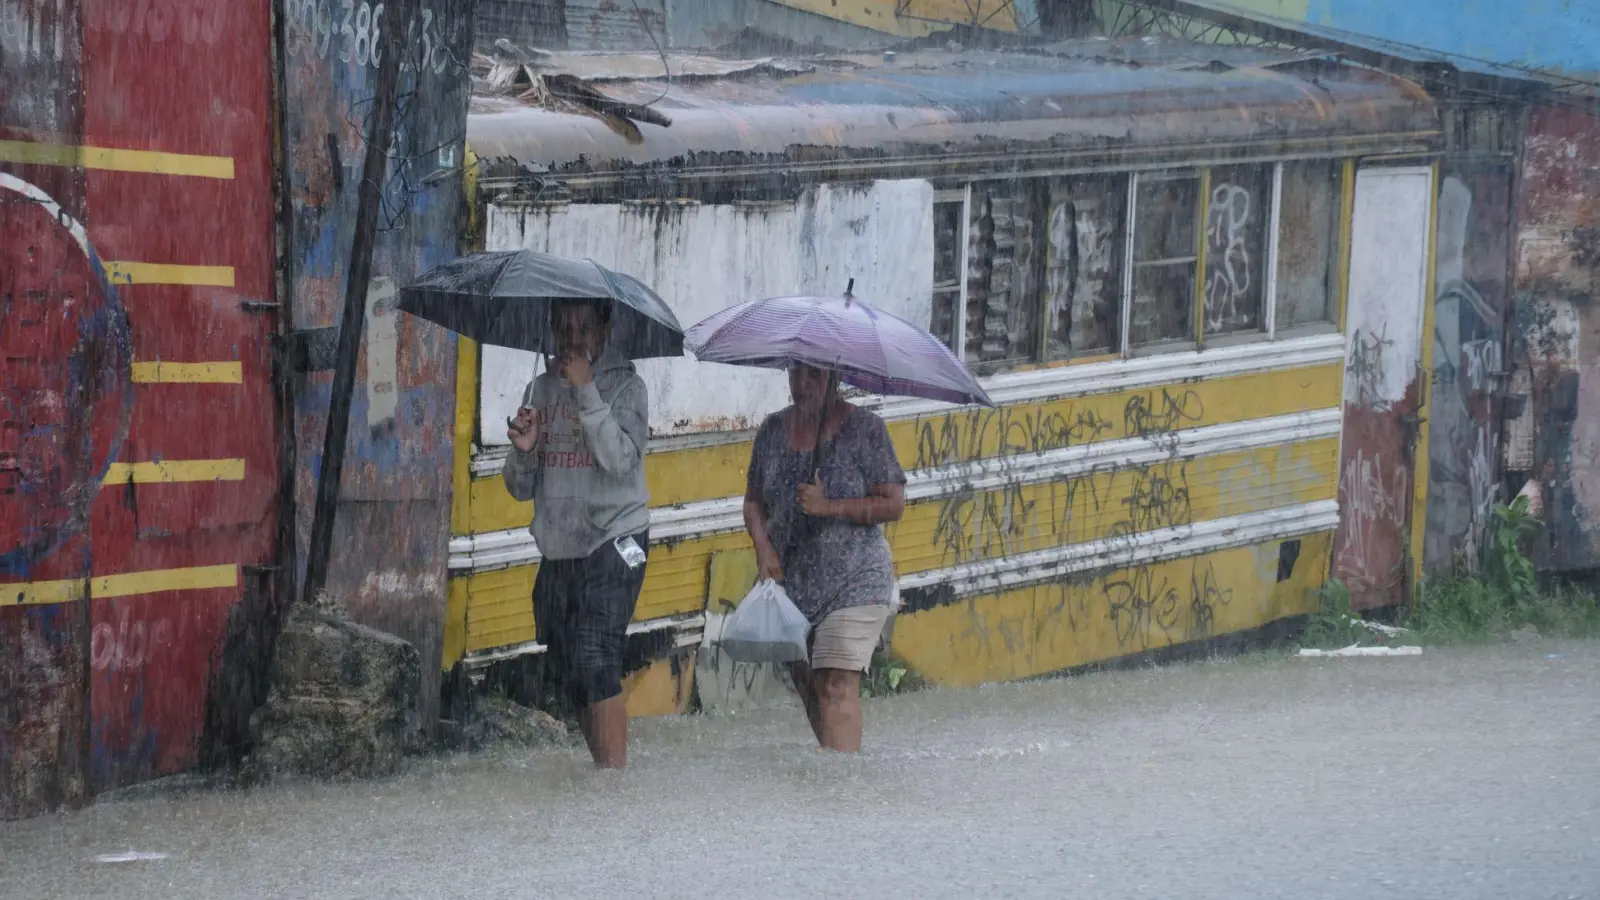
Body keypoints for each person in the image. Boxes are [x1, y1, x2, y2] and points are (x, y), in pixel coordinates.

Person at [503, 298, 650, 769]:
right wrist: (524, 450)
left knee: (595, 654)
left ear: (605, 329)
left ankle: (614, 782)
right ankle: (603, 773)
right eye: (564, 328)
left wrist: (587, 393)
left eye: (585, 327)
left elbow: (620, 461)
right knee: (569, 669)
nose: (574, 340)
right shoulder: (540, 390)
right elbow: (520, 487)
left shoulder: (626, 385)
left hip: (617, 538)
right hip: (561, 546)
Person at [742, 362, 907, 752]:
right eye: (795, 372)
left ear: (836, 377)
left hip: (854, 581)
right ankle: (836, 775)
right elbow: (752, 502)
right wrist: (763, 549)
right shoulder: (772, 431)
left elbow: (893, 504)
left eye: (814, 375)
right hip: (792, 585)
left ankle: (843, 794)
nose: (802, 384)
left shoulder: (866, 430)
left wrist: (828, 505)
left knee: (835, 683)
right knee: (813, 690)